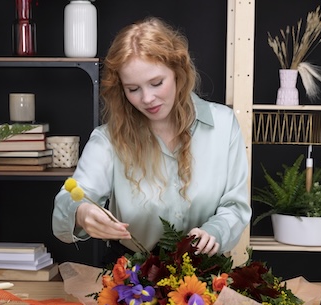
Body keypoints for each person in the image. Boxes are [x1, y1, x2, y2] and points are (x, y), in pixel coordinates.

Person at [52, 17, 251, 263]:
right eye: (133, 89)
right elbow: (67, 202)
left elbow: (236, 207)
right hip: (129, 283)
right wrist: (82, 212)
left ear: (178, 72)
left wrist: (215, 231)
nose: (147, 98)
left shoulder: (223, 125)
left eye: (156, 83)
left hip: (203, 279)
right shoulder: (108, 139)